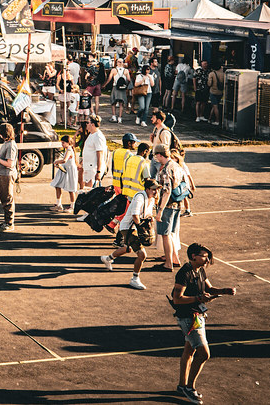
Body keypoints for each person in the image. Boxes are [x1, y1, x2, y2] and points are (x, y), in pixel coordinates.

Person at [171, 243, 236, 404]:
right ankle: (190, 388)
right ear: (193, 256)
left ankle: (182, 385)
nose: (207, 260)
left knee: (189, 351)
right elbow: (177, 299)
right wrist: (198, 298)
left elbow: (209, 288)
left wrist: (223, 291)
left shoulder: (200, 270)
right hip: (189, 318)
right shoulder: (184, 273)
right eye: (204, 256)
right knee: (204, 354)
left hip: (197, 315)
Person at [100, 177, 158, 290]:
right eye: (153, 189)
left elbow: (147, 214)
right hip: (128, 228)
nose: (156, 192)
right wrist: (141, 228)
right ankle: (135, 279)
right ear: (147, 189)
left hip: (132, 227)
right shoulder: (140, 197)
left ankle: (107, 259)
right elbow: (135, 215)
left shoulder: (151, 199)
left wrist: (150, 218)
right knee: (142, 255)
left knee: (127, 249)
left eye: (157, 189)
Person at [153, 144, 185, 272]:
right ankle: (175, 259)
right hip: (177, 204)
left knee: (165, 235)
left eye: (156, 155)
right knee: (171, 233)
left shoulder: (166, 170)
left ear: (160, 155)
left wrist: (160, 210)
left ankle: (168, 263)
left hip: (167, 206)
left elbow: (166, 191)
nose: (156, 158)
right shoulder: (176, 166)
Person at [0, 123, 18, 232]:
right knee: (4, 199)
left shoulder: (11, 145)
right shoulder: (7, 143)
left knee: (7, 199)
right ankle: (6, 220)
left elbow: (10, 163)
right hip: (3, 174)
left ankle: (9, 222)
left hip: (7, 175)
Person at [49, 134, 79, 212]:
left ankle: (72, 206)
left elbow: (64, 160)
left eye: (63, 142)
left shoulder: (69, 150)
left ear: (68, 143)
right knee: (57, 185)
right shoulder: (67, 150)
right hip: (65, 170)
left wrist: (56, 162)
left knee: (71, 189)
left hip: (70, 171)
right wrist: (59, 165)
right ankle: (58, 204)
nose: (62, 144)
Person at [80, 116, 107, 191]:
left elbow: (100, 154)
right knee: (87, 189)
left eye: (88, 122)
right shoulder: (91, 134)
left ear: (92, 124)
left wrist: (98, 171)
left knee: (90, 190)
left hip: (93, 168)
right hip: (88, 167)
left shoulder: (98, 136)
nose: (86, 124)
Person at [107, 58, 131, 123]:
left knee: (113, 102)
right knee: (121, 103)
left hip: (115, 87)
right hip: (123, 87)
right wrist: (126, 85)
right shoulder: (126, 70)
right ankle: (120, 117)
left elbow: (110, 78)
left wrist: (105, 84)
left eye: (120, 62)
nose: (120, 63)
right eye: (119, 62)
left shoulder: (114, 70)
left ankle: (114, 116)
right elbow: (129, 79)